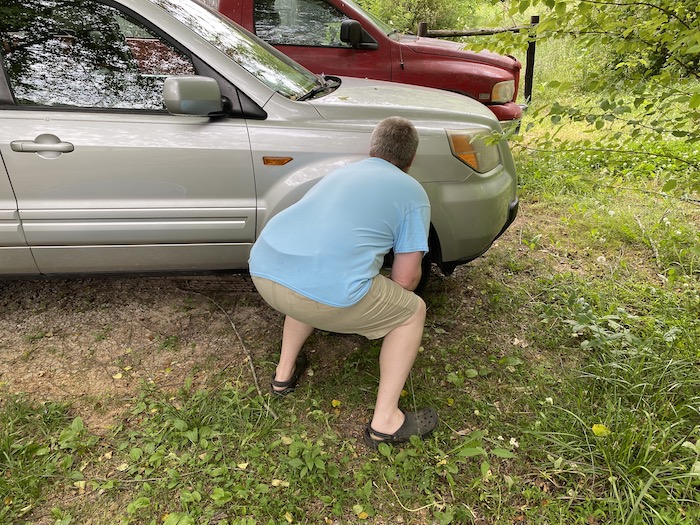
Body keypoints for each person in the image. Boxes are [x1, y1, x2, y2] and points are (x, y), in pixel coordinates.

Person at [248, 116, 437, 448]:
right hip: (319, 293)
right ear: (410, 160)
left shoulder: (342, 171)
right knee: (413, 311)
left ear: (372, 148)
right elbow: (405, 278)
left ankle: (283, 375)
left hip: (264, 270)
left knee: (314, 276)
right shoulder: (412, 192)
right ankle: (386, 422)